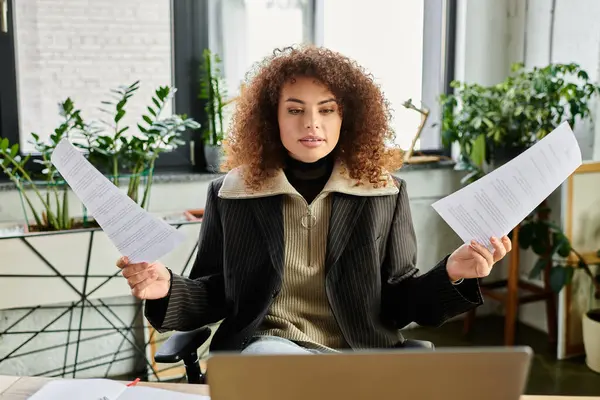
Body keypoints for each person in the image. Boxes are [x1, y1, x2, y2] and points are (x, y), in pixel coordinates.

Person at [116, 45, 512, 355]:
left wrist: (453, 274)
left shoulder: (385, 192)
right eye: (295, 110)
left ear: (347, 118)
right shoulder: (232, 193)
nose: (311, 124)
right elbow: (214, 294)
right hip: (268, 348)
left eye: (327, 110)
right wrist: (166, 286)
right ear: (272, 119)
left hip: (359, 352)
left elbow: (399, 302)